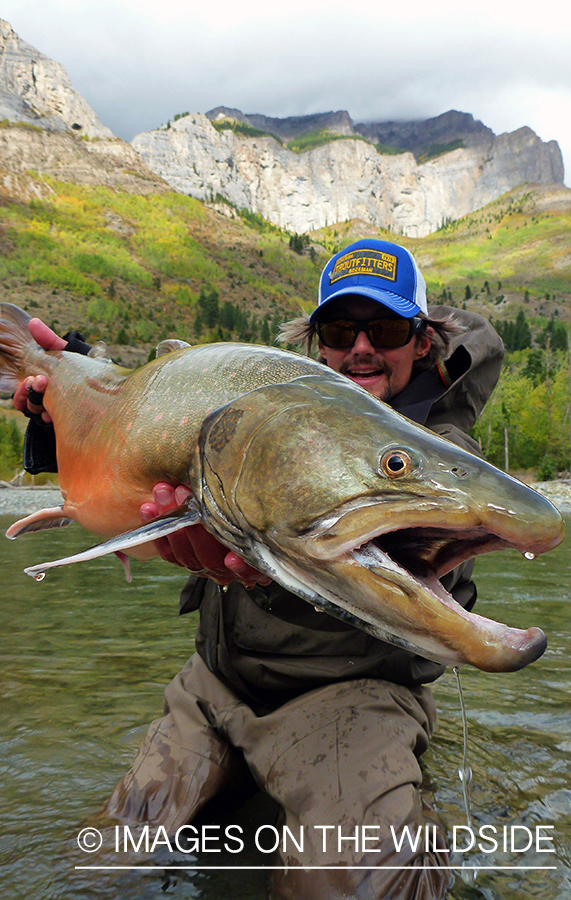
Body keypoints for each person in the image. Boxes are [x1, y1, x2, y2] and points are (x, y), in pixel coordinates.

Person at [14, 239, 504, 900]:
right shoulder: (268, 409)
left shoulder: (435, 460)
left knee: (357, 888)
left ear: (422, 342)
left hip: (348, 700)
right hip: (212, 686)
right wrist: (57, 411)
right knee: (104, 867)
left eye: (385, 329)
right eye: (339, 330)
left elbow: (444, 608)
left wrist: (268, 564)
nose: (360, 346)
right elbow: (129, 451)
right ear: (318, 343)